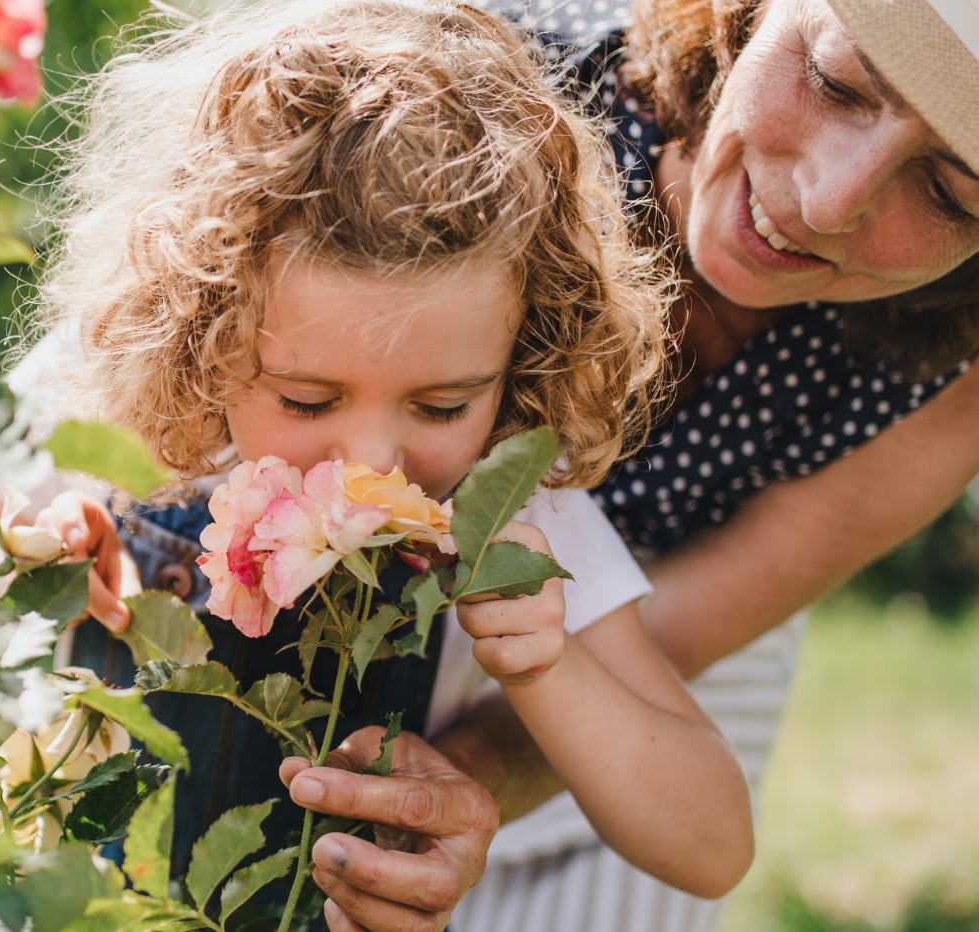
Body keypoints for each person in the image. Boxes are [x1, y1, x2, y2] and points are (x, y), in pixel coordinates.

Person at [10, 0, 756, 918]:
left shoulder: (512, 511)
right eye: (307, 401)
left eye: (444, 405)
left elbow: (714, 844)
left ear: (525, 353)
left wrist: (545, 667)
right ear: (204, 331)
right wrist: (30, 566)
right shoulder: (117, 431)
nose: (369, 466)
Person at [274, 0, 979, 928]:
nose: (827, 200)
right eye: (833, 82)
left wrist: (451, 792)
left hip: (653, 634)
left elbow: (670, 669)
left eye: (951, 194)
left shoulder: (942, 385)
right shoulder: (488, 95)